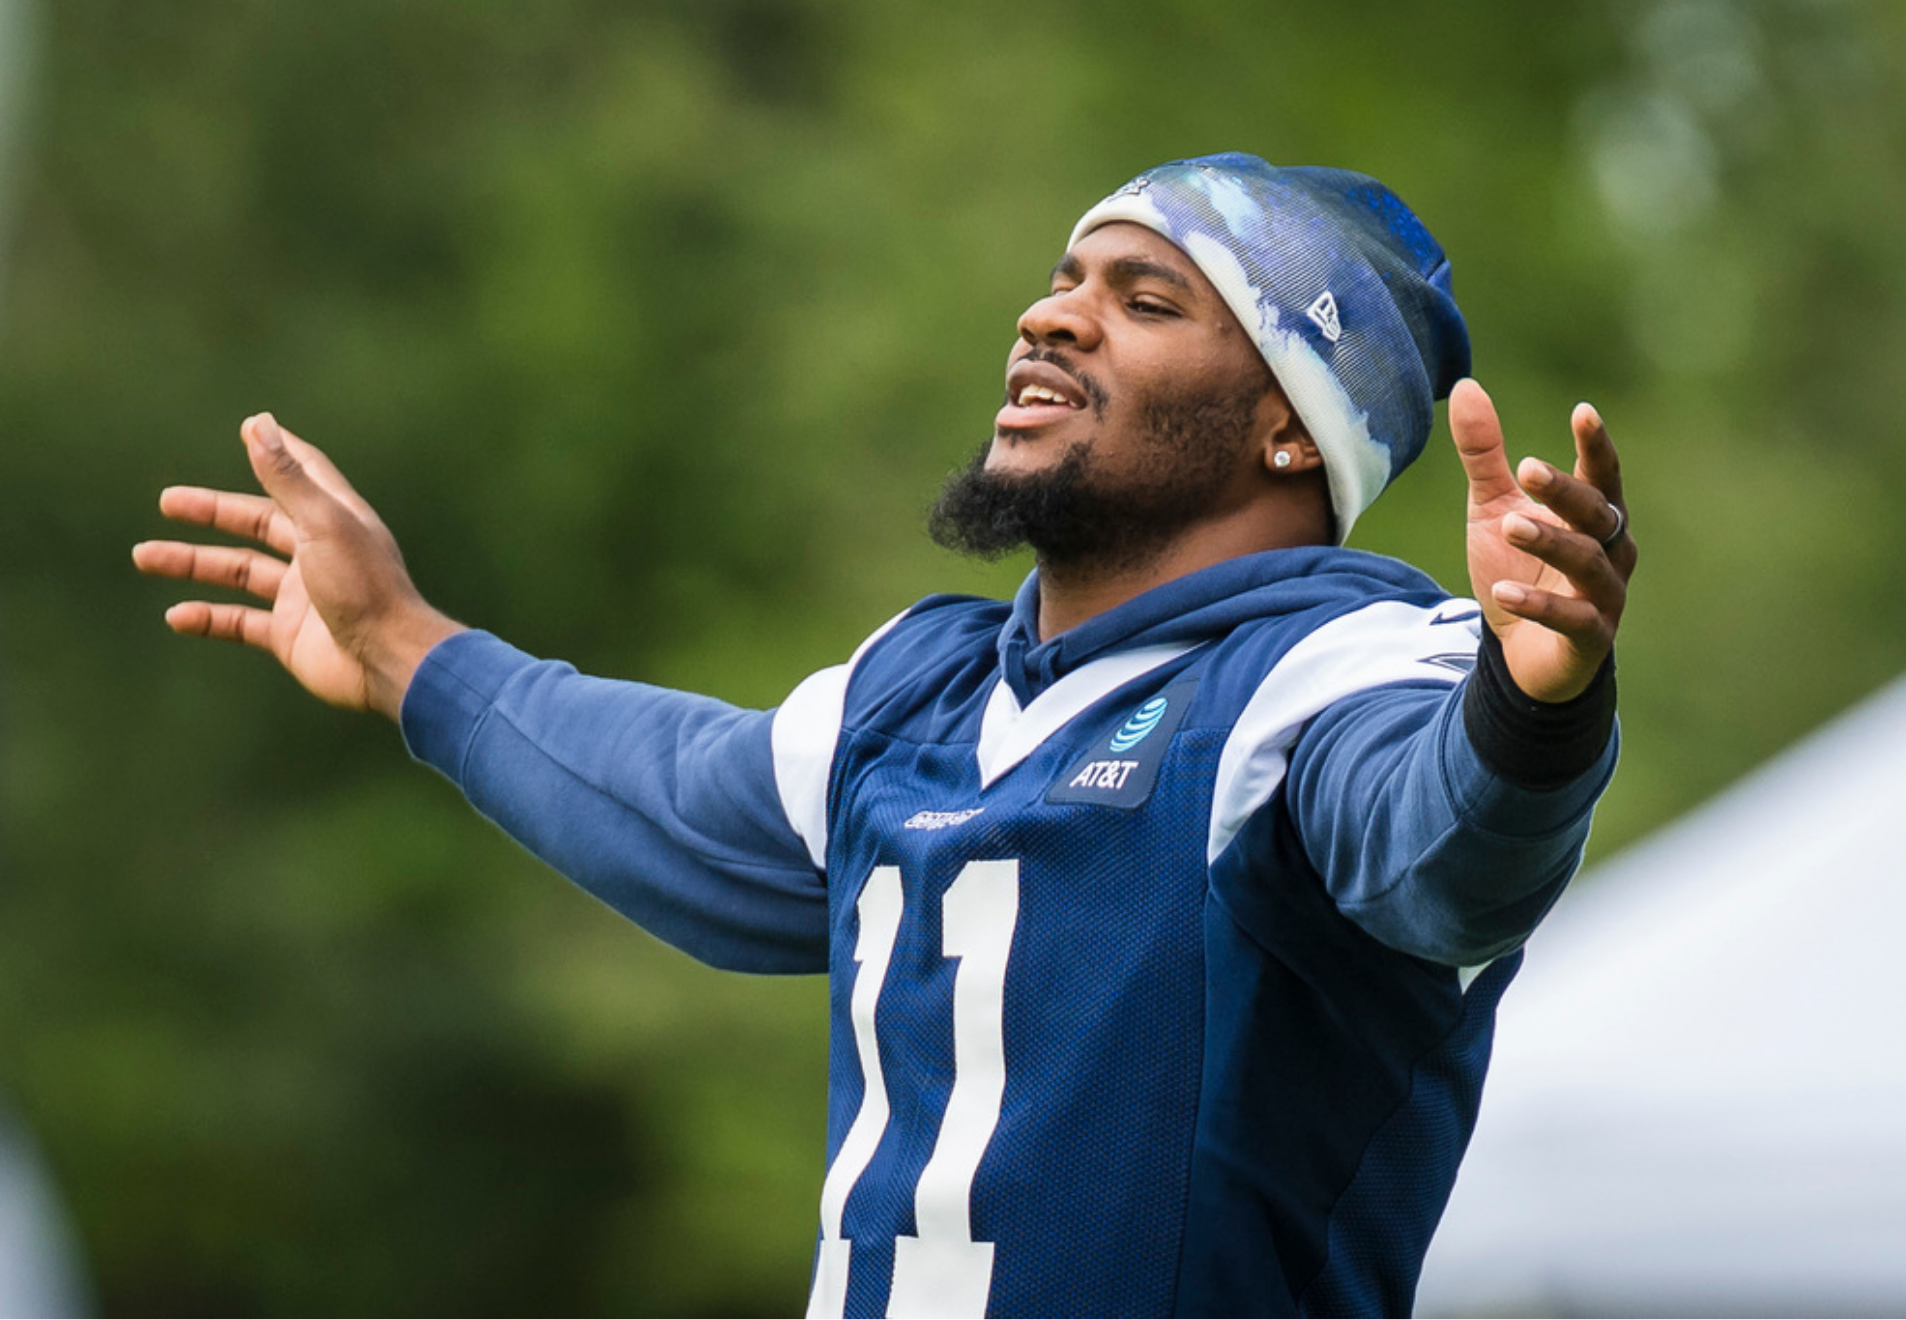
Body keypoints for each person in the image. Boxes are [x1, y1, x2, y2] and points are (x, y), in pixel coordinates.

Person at [134, 153, 1634, 1318]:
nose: (1052, 313)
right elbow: (660, 796)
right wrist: (404, 646)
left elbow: (1448, 849)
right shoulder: (919, 692)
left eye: (1146, 298)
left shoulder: (1334, 667)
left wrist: (1536, 700)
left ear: (1292, 426)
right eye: (1064, 279)